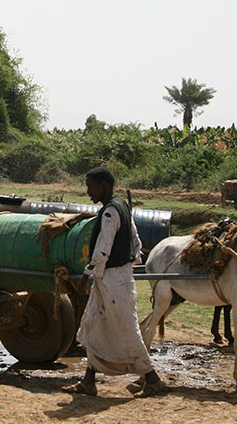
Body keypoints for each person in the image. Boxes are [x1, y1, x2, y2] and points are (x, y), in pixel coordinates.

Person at [62, 167, 168, 397]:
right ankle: (88, 381)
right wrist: (132, 260)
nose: (88, 191)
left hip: (112, 278)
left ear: (104, 185)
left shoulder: (110, 212)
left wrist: (86, 275)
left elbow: (103, 249)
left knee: (126, 329)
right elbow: (135, 239)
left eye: (90, 186)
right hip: (116, 276)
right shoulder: (122, 206)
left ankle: (152, 378)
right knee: (92, 324)